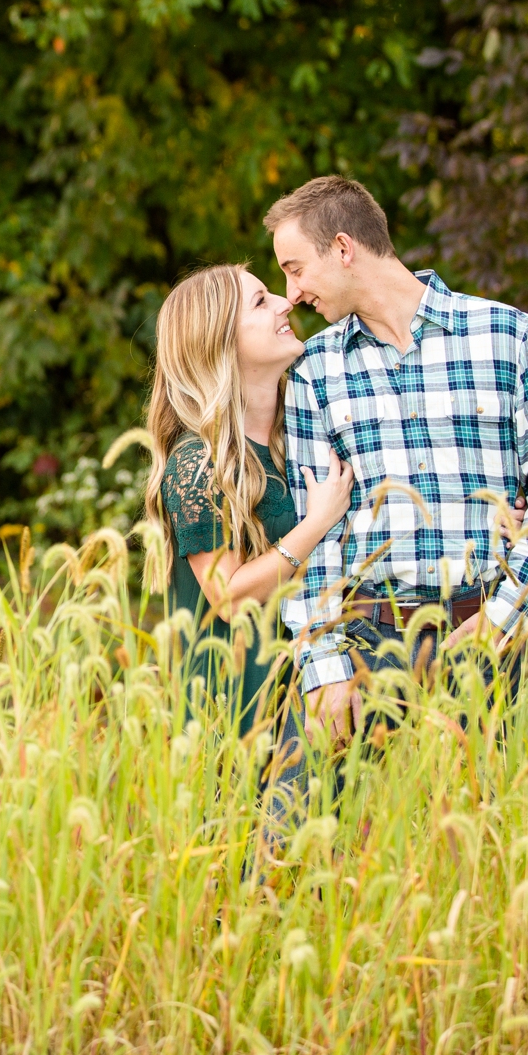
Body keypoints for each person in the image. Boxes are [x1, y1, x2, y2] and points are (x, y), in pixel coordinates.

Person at [265, 176, 528, 747]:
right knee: (288, 831)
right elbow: (317, 540)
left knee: (471, 833)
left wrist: (498, 621)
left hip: (483, 641)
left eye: (294, 268)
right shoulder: (315, 370)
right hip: (362, 644)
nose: (290, 293)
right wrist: (325, 669)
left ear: (343, 248)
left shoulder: (509, 337)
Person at [143, 264, 354, 741]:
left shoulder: (304, 435)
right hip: (235, 712)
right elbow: (229, 596)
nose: (285, 303)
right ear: (219, 342)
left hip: (314, 696)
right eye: (261, 302)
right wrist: (315, 523)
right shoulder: (200, 462)